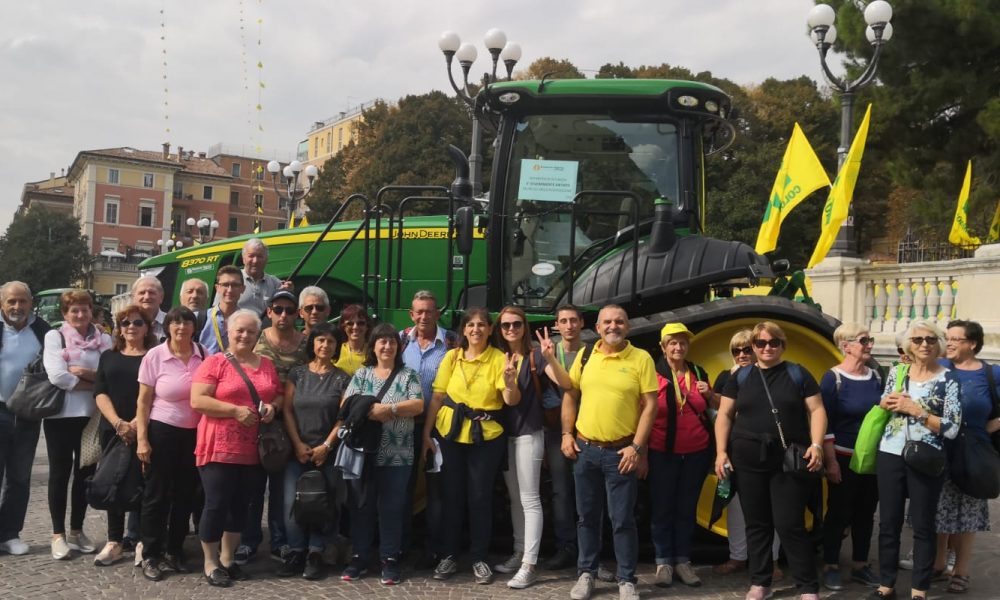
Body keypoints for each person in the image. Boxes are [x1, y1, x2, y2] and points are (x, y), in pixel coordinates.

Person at [715, 321, 827, 600]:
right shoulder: (739, 377)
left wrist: (816, 444)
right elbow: (725, 415)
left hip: (787, 460)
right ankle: (760, 582)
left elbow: (817, 410)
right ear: (753, 347)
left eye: (773, 343)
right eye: (761, 343)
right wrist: (721, 452)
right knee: (757, 523)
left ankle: (807, 586)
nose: (767, 348)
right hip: (748, 460)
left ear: (782, 345)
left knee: (790, 524)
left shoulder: (797, 373)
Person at [561, 304, 658, 600]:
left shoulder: (641, 358)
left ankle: (626, 579)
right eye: (607, 322)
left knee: (622, 519)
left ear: (627, 327)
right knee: (586, 517)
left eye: (619, 322)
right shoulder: (585, 355)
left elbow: (650, 405)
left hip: (621, 454)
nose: (612, 326)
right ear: (598, 327)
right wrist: (566, 434)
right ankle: (586, 573)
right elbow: (570, 394)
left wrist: (637, 448)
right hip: (586, 450)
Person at [421, 307, 519, 585]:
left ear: (490, 330)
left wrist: (510, 382)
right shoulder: (452, 358)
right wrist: (427, 434)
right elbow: (438, 397)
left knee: (479, 497)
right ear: (463, 330)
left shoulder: (500, 359)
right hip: (449, 434)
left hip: (486, 437)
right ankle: (449, 555)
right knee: (451, 496)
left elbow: (510, 400)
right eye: (470, 325)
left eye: (481, 325)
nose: (476, 329)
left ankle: (478, 558)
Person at [190, 309, 282, 587]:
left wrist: (272, 408)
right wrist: (234, 411)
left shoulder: (266, 364)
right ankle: (210, 562)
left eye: (250, 331)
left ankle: (228, 559)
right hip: (218, 446)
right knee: (216, 504)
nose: (244, 335)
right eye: (239, 330)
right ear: (228, 332)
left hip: (253, 450)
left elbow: (275, 392)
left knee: (241, 506)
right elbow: (197, 400)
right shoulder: (215, 363)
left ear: (257, 335)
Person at [873, 320, 961, 600]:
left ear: (939, 344)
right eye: (918, 339)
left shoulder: (949, 379)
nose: (924, 344)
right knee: (888, 523)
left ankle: (919, 590)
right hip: (890, 451)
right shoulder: (897, 371)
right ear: (909, 345)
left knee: (923, 525)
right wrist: (885, 402)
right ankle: (886, 585)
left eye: (931, 339)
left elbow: (953, 427)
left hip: (927, 455)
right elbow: (883, 402)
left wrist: (917, 410)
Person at [492, 306, 571, 589]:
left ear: (524, 326)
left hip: (529, 433)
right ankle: (519, 551)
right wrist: (510, 381)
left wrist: (551, 357)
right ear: (499, 330)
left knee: (530, 499)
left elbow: (566, 383)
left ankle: (529, 564)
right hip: (505, 435)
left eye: (516, 324)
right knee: (515, 499)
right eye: (505, 325)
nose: (511, 329)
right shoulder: (499, 356)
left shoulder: (536, 355)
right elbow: (509, 399)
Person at [341, 323, 424, 585]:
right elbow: (347, 405)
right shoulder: (362, 375)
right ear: (373, 346)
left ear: (398, 347)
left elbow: (418, 405)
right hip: (363, 453)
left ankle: (390, 559)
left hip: (398, 453)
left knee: (392, 507)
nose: (387, 346)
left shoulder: (408, 375)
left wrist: (387, 410)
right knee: (361, 506)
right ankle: (359, 557)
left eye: (391, 342)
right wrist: (372, 410)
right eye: (381, 341)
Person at [234, 291, 306, 566]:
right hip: (255, 423)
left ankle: (279, 541)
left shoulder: (305, 343)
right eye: (279, 309)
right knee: (252, 487)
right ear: (269, 311)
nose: (284, 315)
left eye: (290, 309)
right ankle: (248, 541)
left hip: (289, 422)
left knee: (281, 489)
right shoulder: (256, 338)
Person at [135, 307, 205, 580]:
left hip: (194, 434)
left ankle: (175, 550)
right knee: (156, 495)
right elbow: (142, 401)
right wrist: (142, 439)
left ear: (193, 326)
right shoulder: (155, 356)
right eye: (176, 322)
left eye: (187, 321)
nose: (181, 327)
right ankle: (151, 554)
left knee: (186, 495)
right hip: (162, 431)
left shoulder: (203, 354)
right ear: (167, 327)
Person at [43, 289, 112, 560]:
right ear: (65, 314)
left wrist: (84, 374)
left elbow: (109, 374)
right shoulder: (55, 336)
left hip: (92, 416)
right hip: (60, 416)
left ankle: (76, 530)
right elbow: (57, 376)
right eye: (74, 310)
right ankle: (57, 534)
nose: (81, 315)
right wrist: (95, 384)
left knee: (85, 476)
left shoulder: (103, 338)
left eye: (85, 309)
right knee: (59, 474)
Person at [278, 323, 351, 580]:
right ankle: (296, 550)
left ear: (336, 347)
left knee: (324, 503)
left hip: (327, 452)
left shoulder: (343, 378)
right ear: (313, 344)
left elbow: (343, 417)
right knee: (291, 503)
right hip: (297, 450)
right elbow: (286, 409)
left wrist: (326, 446)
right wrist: (297, 443)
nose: (325, 346)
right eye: (320, 340)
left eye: (331, 342)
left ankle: (315, 552)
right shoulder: (297, 374)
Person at [931, 320, 999, 594]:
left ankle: (961, 570)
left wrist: (987, 427)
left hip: (974, 452)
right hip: (940, 450)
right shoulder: (940, 369)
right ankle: (937, 564)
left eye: (956, 339)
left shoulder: (991, 374)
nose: (949, 343)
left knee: (967, 514)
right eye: (947, 338)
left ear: (972, 343)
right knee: (938, 509)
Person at [711, 329, 784, 580]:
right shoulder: (726, 377)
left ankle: (771, 560)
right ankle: (737, 556)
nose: (742, 354)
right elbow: (718, 414)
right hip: (734, 451)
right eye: (736, 350)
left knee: (768, 509)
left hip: (764, 452)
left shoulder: (767, 376)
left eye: (746, 349)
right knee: (735, 508)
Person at [645, 323, 714, 588]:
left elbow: (713, 410)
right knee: (663, 508)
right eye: (672, 342)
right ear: (663, 347)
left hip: (696, 453)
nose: (678, 347)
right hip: (662, 452)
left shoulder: (697, 372)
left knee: (687, 509)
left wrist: (711, 395)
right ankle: (663, 562)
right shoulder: (653, 374)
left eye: (683, 342)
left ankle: (683, 562)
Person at [818, 323, 882, 591]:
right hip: (843, 457)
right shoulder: (833, 378)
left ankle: (859, 564)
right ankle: (831, 564)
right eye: (864, 340)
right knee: (838, 512)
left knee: (866, 513)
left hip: (872, 459)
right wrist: (831, 461)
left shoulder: (877, 376)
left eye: (870, 340)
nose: (869, 345)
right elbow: (826, 423)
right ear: (846, 346)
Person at [91, 304, 155, 567]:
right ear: (119, 328)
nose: (131, 327)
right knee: (112, 483)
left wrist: (136, 424)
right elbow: (100, 391)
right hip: (113, 430)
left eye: (138, 323)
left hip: (145, 429)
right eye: (126, 323)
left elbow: (157, 395)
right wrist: (119, 423)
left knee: (143, 483)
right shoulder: (108, 357)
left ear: (147, 327)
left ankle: (140, 539)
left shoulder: (153, 356)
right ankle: (114, 540)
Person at [399, 290, 454, 568]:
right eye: (418, 311)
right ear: (411, 314)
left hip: (440, 426)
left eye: (429, 311)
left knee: (437, 491)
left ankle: (435, 549)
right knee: (403, 487)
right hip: (404, 425)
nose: (423, 316)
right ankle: (402, 547)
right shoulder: (399, 341)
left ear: (438, 313)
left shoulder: (452, 342)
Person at [0, 281, 51, 556]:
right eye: (11, 302)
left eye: (22, 301)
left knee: (19, 477)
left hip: (27, 414)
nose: (17, 307)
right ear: (2, 303)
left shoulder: (43, 331)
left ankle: (9, 534)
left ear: (31, 303)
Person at [540, 304, 583, 571]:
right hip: (555, 428)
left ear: (581, 323)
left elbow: (571, 384)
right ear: (557, 324)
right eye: (563, 321)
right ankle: (565, 546)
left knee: (587, 492)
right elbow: (560, 383)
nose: (568, 326)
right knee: (560, 491)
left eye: (573, 320)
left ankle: (590, 550)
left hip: (587, 428)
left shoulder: (591, 352)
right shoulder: (548, 351)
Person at [222, 238, 293, 316]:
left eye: (260, 256)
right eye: (251, 256)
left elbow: (286, 311)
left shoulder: (275, 283)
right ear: (243, 259)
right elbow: (218, 312)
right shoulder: (230, 280)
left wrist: (289, 292)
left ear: (266, 259)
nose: (255, 261)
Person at [199, 266, 245, 355]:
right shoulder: (200, 318)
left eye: (235, 285)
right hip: (206, 368)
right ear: (217, 288)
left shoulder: (248, 321)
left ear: (243, 289)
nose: (230, 290)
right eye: (225, 285)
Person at [335, 304, 369, 376]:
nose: (355, 327)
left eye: (360, 323)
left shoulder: (374, 351)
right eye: (350, 323)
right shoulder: (335, 350)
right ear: (343, 327)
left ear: (367, 326)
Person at [132, 275, 167, 341]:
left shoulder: (172, 323)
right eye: (142, 293)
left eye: (151, 292)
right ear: (133, 297)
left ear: (161, 297)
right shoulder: (124, 325)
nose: (147, 297)